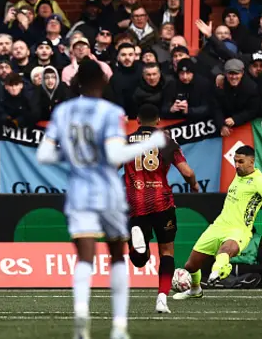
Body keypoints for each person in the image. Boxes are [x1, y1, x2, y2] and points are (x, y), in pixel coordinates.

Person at [36, 59, 168, 339]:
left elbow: (44, 156)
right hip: (108, 191)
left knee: (84, 259)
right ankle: (119, 327)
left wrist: (73, 156)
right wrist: (151, 143)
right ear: (103, 83)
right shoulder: (111, 112)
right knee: (117, 257)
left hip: (79, 192)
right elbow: (114, 156)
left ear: (77, 83)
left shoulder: (62, 111)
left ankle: (82, 315)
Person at [173, 145, 262, 300]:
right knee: (191, 265)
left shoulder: (259, 182)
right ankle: (195, 290)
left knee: (225, 250)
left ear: (252, 162)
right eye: (235, 161)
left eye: (241, 161)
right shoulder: (239, 174)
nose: (237, 165)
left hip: (239, 230)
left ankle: (218, 271)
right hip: (218, 226)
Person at [124, 104, 198, 314]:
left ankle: (140, 247)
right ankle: (162, 298)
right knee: (167, 252)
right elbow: (187, 171)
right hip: (162, 203)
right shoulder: (166, 142)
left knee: (140, 260)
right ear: (158, 121)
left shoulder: (126, 142)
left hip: (135, 202)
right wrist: (193, 184)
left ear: (137, 120)